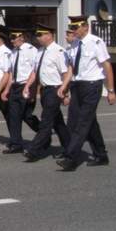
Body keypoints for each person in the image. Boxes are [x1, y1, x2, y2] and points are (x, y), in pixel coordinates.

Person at [57, 15, 116, 171]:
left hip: (92, 86)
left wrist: (111, 90)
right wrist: (64, 85)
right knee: (84, 122)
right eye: (72, 28)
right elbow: (71, 67)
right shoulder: (75, 44)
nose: (73, 31)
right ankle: (101, 155)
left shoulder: (96, 42)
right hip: (77, 86)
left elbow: (107, 66)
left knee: (82, 122)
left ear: (85, 27)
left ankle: (71, 158)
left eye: (75, 28)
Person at [23, 24, 71, 161]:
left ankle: (34, 150)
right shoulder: (40, 51)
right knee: (57, 122)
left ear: (49, 35)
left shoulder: (59, 52)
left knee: (46, 121)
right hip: (45, 90)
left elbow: (65, 74)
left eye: (40, 35)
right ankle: (70, 148)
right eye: (37, 35)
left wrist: (66, 93)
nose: (38, 38)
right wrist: (28, 86)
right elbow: (35, 72)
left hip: (55, 90)